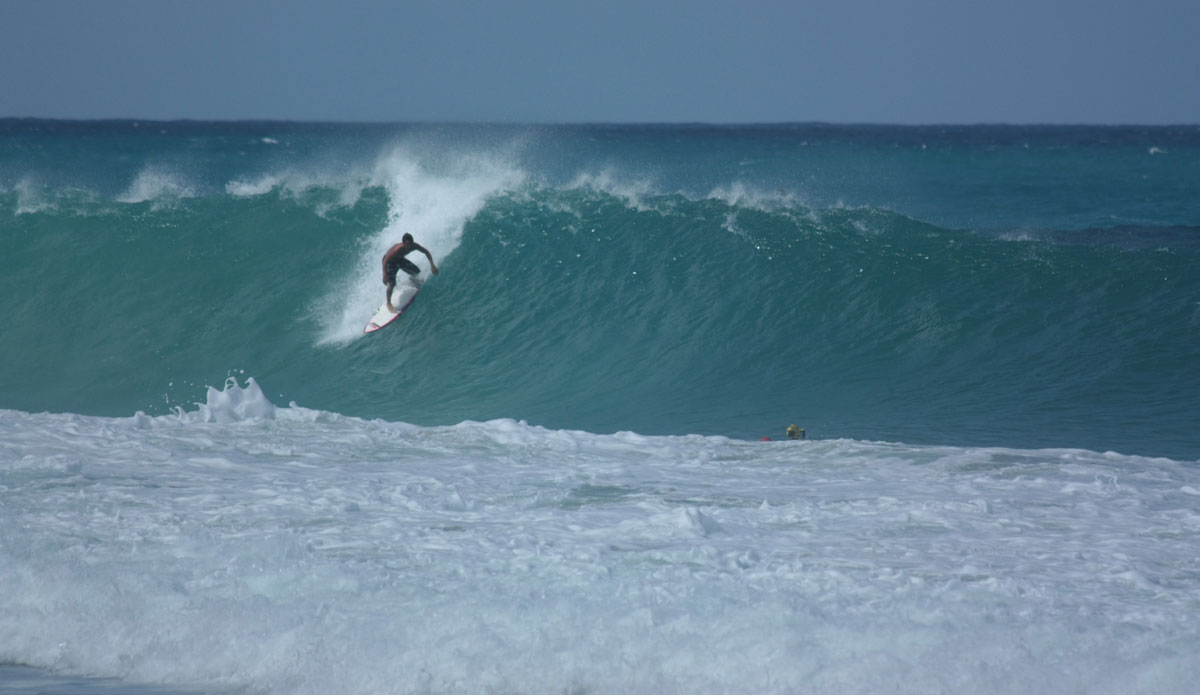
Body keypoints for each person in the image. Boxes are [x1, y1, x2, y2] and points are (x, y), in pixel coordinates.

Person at [382, 233, 438, 312]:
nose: (409, 246)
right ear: (403, 243)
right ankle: (389, 304)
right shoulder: (397, 249)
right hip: (390, 263)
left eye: (411, 243)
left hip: (400, 260)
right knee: (392, 284)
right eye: (407, 244)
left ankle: (412, 280)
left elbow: (426, 252)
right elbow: (385, 261)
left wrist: (432, 265)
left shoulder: (414, 246)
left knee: (417, 272)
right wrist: (384, 274)